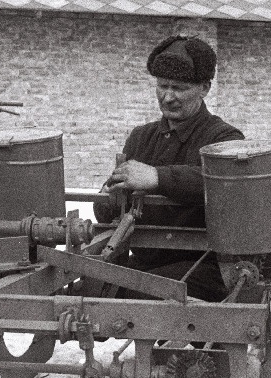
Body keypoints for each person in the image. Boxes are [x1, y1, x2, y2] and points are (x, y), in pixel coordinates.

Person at [93, 35, 245, 302]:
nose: (168, 97)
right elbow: (110, 210)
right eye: (162, 86)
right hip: (147, 261)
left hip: (205, 265)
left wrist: (157, 177)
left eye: (180, 87)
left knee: (134, 296)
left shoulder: (224, 138)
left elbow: (225, 183)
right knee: (90, 287)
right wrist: (110, 197)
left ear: (205, 88)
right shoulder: (141, 137)